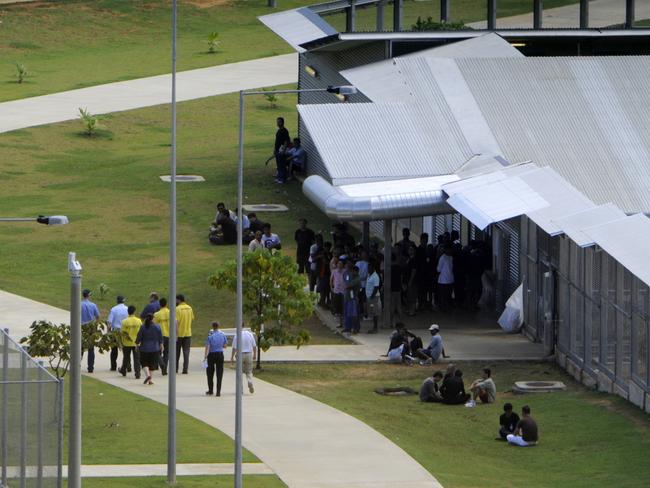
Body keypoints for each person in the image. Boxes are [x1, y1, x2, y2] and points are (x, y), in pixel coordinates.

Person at [136, 313, 163, 385]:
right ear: (153, 319)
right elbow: (160, 337)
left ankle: (148, 375)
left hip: (144, 348)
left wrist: (136, 343)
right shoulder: (157, 326)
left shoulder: (142, 327)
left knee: (144, 363)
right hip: (155, 348)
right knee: (152, 364)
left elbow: (139, 337)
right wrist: (161, 345)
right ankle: (150, 380)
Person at [204, 321, 228, 396]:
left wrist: (205, 356)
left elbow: (207, 347)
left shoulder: (210, 336)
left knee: (210, 373)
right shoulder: (222, 335)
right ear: (218, 326)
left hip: (211, 355)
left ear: (212, 327)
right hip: (220, 354)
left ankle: (210, 390)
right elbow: (225, 346)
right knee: (219, 373)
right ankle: (218, 391)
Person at [231, 327, 257, 394]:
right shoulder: (249, 334)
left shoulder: (237, 335)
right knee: (249, 371)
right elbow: (254, 345)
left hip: (240, 355)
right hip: (249, 354)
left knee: (239, 373)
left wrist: (232, 357)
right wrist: (254, 355)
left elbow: (234, 347)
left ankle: (240, 389)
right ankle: (249, 381)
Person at [119, 305, 142, 379]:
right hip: (136, 343)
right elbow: (141, 331)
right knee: (137, 359)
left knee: (126, 357)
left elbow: (122, 332)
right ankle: (137, 373)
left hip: (127, 342)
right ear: (134, 311)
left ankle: (123, 370)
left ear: (128, 312)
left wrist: (121, 342)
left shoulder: (124, 321)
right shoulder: (138, 321)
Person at [81, 289, 100, 373]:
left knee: (80, 347)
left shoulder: (79, 304)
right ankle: (90, 367)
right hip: (91, 328)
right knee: (91, 348)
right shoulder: (93, 305)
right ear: (89, 295)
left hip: (81, 327)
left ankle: (77, 365)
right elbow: (98, 316)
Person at [107, 295, 129, 371]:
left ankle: (113, 366)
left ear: (117, 301)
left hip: (115, 331)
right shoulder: (127, 309)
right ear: (124, 300)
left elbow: (109, 322)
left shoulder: (113, 309)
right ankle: (128, 366)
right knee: (126, 350)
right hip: (125, 332)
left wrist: (108, 332)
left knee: (114, 350)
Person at [175, 294, 194, 374]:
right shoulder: (190, 308)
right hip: (188, 333)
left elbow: (176, 322)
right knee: (186, 352)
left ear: (179, 300)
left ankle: (175, 369)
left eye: (176, 300)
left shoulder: (177, 309)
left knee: (177, 353)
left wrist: (175, 334)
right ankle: (185, 369)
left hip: (179, 334)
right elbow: (192, 319)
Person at [154, 298, 171, 375]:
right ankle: (164, 369)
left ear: (160, 304)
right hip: (169, 335)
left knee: (157, 352)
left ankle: (162, 365)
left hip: (160, 336)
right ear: (166, 304)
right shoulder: (171, 312)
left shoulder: (157, 314)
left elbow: (154, 326)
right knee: (166, 353)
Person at [437, 245, 455, 312]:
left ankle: (445, 307)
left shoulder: (445, 257)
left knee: (445, 295)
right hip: (445, 280)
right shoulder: (445, 258)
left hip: (446, 280)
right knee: (445, 295)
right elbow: (438, 269)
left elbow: (438, 269)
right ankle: (444, 307)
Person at [365, 262, 381, 334]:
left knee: (375, 312)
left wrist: (371, 296)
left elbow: (376, 287)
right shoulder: (369, 275)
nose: (368, 269)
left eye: (369, 268)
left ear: (373, 268)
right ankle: (374, 327)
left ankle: (375, 328)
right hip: (369, 297)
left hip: (374, 297)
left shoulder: (375, 276)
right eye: (368, 268)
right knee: (372, 312)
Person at [274, 117, 290, 183]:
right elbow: (277, 141)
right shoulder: (279, 130)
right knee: (278, 165)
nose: (278, 123)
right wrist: (275, 150)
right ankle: (279, 177)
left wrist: (283, 151)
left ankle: (283, 179)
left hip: (281, 151)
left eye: (279, 122)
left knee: (282, 165)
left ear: (282, 122)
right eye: (277, 121)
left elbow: (286, 141)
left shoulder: (285, 131)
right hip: (277, 150)